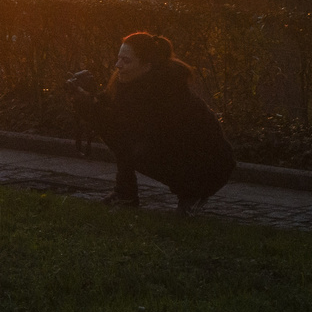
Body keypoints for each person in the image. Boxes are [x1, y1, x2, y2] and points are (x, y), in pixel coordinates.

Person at [73, 31, 235, 215]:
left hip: (210, 165)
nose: (118, 65)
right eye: (119, 58)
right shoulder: (131, 81)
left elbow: (130, 127)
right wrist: (84, 98)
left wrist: (92, 109)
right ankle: (126, 193)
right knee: (125, 141)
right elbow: (110, 109)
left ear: (147, 66)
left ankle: (192, 193)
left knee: (134, 147)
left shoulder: (167, 92)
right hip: (183, 153)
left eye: (126, 61)